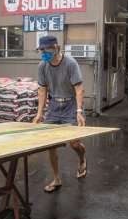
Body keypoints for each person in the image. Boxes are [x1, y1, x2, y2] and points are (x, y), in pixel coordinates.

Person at [32, 35, 87, 193]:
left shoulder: (70, 63)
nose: (43, 53)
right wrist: (39, 113)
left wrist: (79, 111)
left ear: (56, 48)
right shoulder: (42, 66)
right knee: (51, 145)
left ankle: (82, 159)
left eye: (46, 50)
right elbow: (42, 90)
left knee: (74, 143)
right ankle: (56, 179)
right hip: (54, 106)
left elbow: (79, 89)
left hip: (70, 105)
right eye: (41, 50)